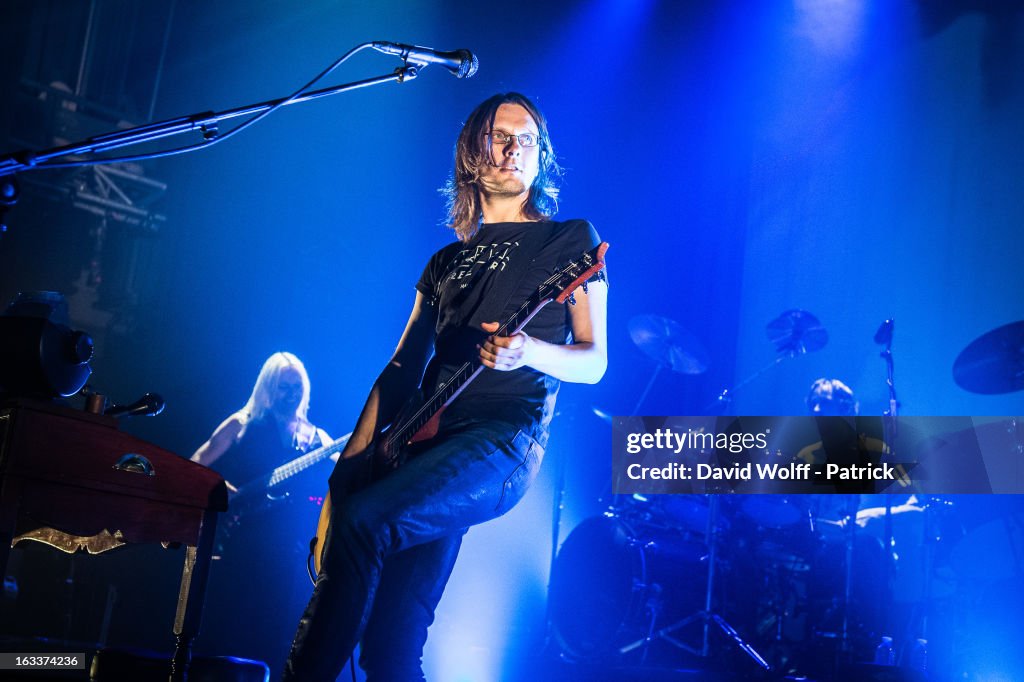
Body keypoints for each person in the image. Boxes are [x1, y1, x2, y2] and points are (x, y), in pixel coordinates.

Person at [282, 92, 608, 681]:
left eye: (527, 140)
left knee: (366, 524)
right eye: (500, 137)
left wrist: (528, 349)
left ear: (541, 158)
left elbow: (594, 361)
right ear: (471, 155)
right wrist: (348, 470)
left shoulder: (570, 241)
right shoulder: (443, 262)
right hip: (419, 443)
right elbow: (402, 367)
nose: (514, 149)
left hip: (500, 440)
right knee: (391, 642)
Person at [191, 351, 334, 677]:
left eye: (297, 387)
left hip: (290, 555)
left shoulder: (316, 438)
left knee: (275, 633)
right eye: (284, 387)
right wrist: (227, 492)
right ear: (268, 388)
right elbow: (195, 465)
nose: (291, 394)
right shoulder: (241, 425)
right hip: (237, 546)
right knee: (228, 628)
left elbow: (343, 469)